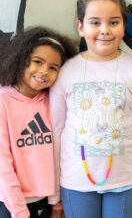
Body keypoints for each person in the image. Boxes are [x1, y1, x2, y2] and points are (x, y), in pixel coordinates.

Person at [50, 0, 132, 218]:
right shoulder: (66, 72)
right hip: (76, 182)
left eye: (113, 22)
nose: (105, 30)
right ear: (80, 27)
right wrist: (53, 188)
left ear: (123, 26)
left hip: (125, 181)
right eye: (95, 23)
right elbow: (56, 130)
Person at [0, 26, 76, 218]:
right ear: (21, 59)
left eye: (53, 68)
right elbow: (2, 165)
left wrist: (57, 202)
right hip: (10, 203)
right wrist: (18, 211)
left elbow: (60, 155)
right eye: (37, 62)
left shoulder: (54, 102)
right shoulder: (3, 103)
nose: (44, 72)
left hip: (45, 202)